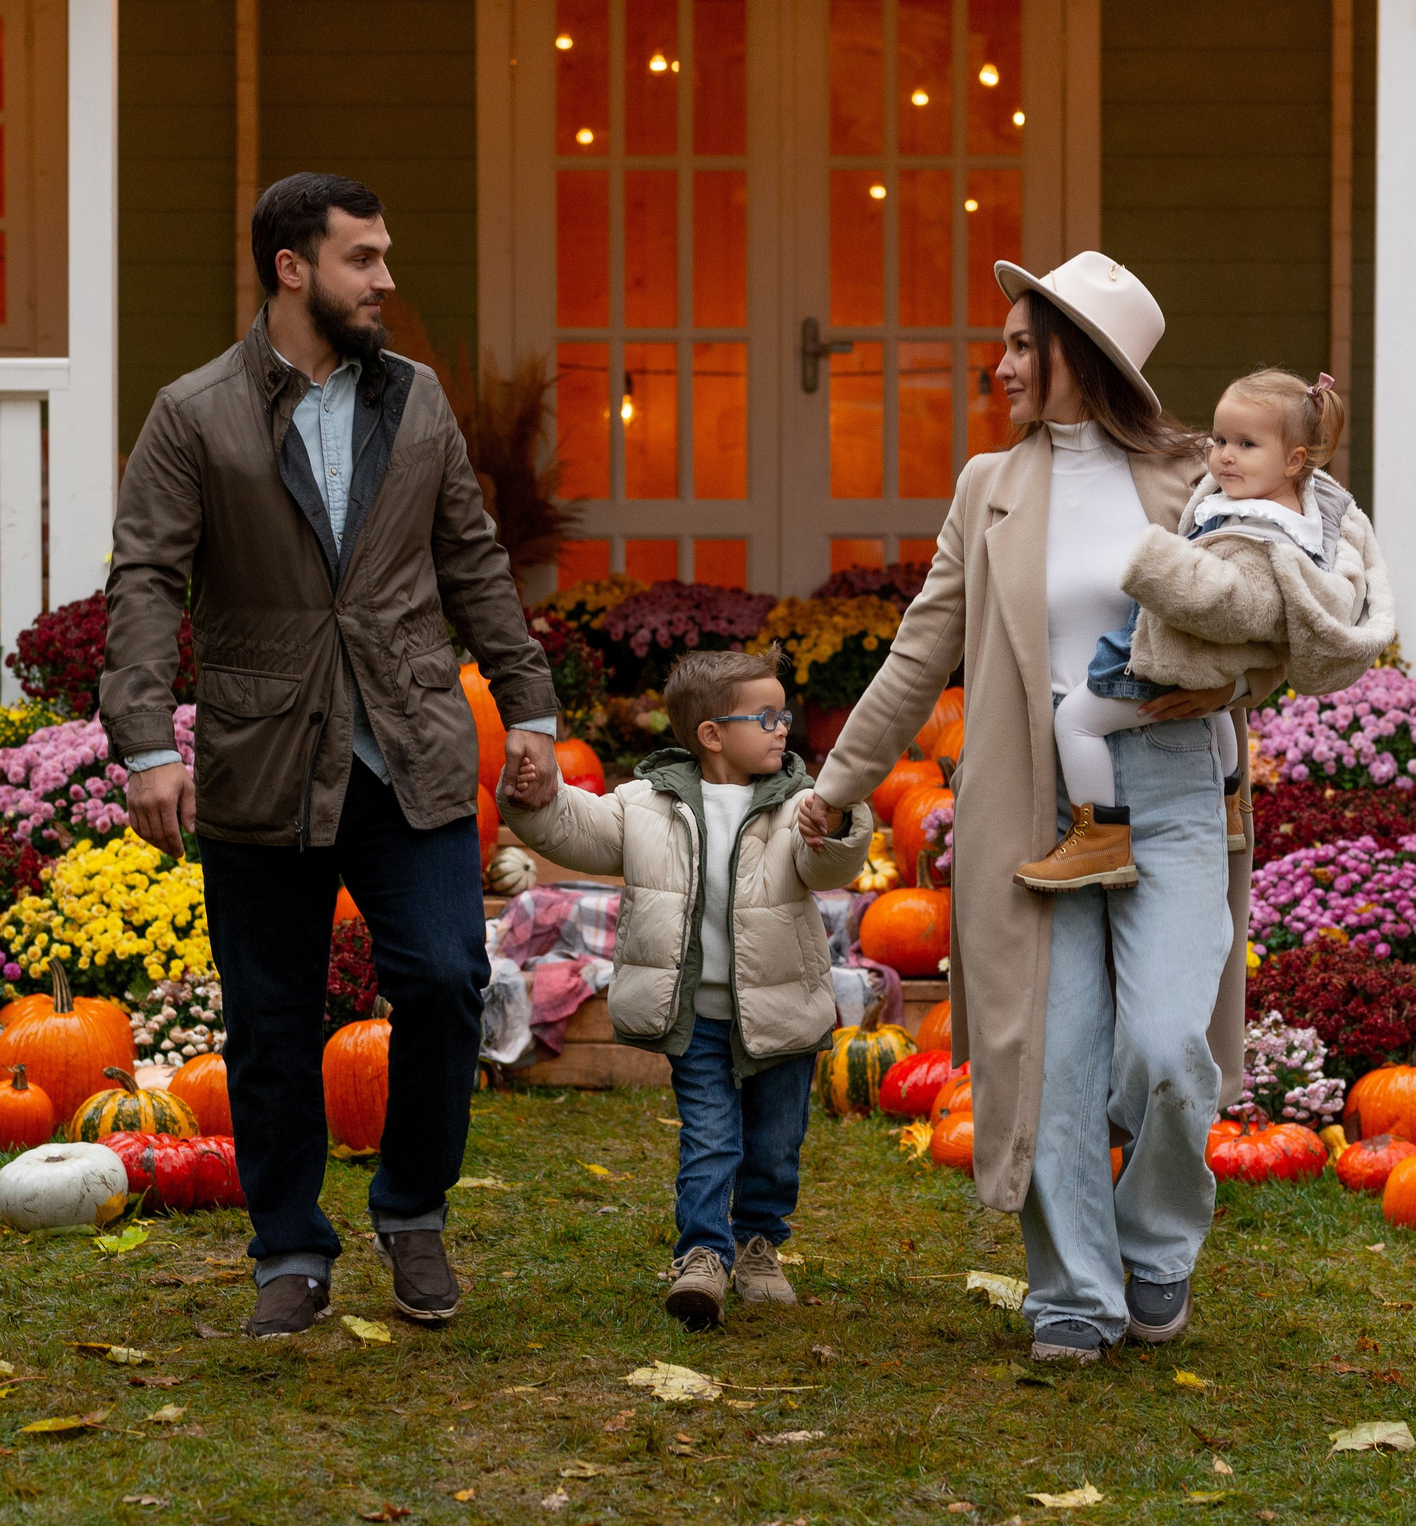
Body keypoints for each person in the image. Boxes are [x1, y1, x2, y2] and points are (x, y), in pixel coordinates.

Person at [797, 252, 1292, 1361]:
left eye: (1024, 344)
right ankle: (1073, 1286)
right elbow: (918, 652)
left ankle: (1154, 1247)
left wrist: (1232, 681)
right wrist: (834, 788)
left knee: (1167, 1046)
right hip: (1035, 812)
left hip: (1170, 798)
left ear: (1085, 353)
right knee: (1052, 1061)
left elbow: (1275, 613)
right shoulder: (989, 488)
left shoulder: (1188, 478)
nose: (1000, 364)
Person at [103, 172, 561, 1340]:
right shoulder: (193, 411)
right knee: (269, 1015)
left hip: (406, 745)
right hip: (263, 754)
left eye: (385, 253)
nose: (387, 280)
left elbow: (473, 559)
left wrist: (534, 710)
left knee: (448, 979)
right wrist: (147, 738)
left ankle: (411, 1209)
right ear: (292, 268)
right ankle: (291, 1246)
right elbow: (149, 576)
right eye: (364, 258)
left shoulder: (414, 401)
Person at [498, 648, 873, 1328]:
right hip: (697, 1015)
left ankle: (759, 1244)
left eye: (783, 714)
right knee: (709, 1135)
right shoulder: (646, 804)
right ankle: (702, 1253)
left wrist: (841, 825)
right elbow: (573, 827)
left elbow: (832, 864)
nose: (782, 727)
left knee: (773, 1142)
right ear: (711, 734)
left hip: (780, 1011)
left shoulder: (799, 803)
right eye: (765, 716)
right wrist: (531, 799)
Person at [1017, 366, 1393, 892]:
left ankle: (1099, 835)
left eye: (1245, 443)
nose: (1224, 455)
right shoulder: (1289, 508)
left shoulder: (1262, 531)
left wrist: (1159, 567)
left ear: (1294, 460)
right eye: (1219, 440)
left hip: (1176, 656)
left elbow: (1232, 602)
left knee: (1077, 721)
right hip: (1213, 666)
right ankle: (1230, 798)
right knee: (1218, 708)